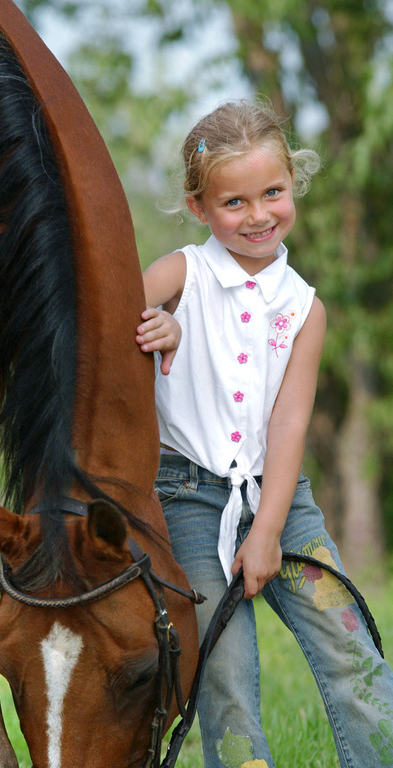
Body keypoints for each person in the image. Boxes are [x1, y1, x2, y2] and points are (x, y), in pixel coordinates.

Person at [135, 99, 393, 768]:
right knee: (224, 671)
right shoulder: (180, 275)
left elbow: (289, 422)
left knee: (351, 645)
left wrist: (270, 529)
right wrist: (155, 324)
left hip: (281, 496)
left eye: (272, 193)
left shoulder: (305, 307)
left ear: (292, 186)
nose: (257, 216)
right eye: (234, 202)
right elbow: (111, 321)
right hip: (187, 497)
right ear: (199, 207)